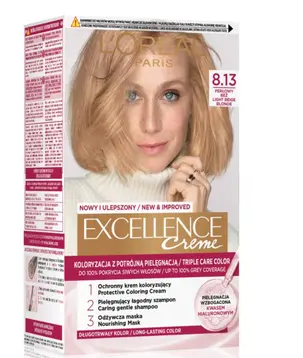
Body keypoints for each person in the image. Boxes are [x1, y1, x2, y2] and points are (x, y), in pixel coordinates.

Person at [64, 30, 238, 254]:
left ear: (195, 103)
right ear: (100, 103)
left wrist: (195, 233)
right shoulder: (61, 209)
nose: (151, 124)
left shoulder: (230, 246)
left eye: (170, 95)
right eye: (131, 96)